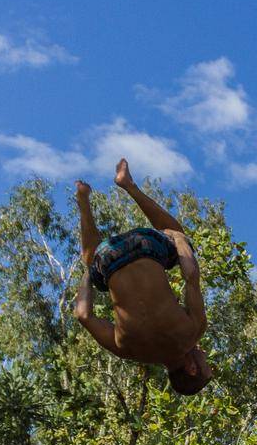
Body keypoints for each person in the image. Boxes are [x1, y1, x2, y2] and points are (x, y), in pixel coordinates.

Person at [74, 159, 212, 395]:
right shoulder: (128, 351)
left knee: (183, 238)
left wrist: (179, 238)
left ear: (191, 368)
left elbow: (191, 276)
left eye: (206, 364)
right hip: (109, 258)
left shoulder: (193, 332)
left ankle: (128, 185)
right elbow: (83, 315)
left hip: (147, 244)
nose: (205, 355)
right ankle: (83, 200)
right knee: (91, 264)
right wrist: (90, 269)